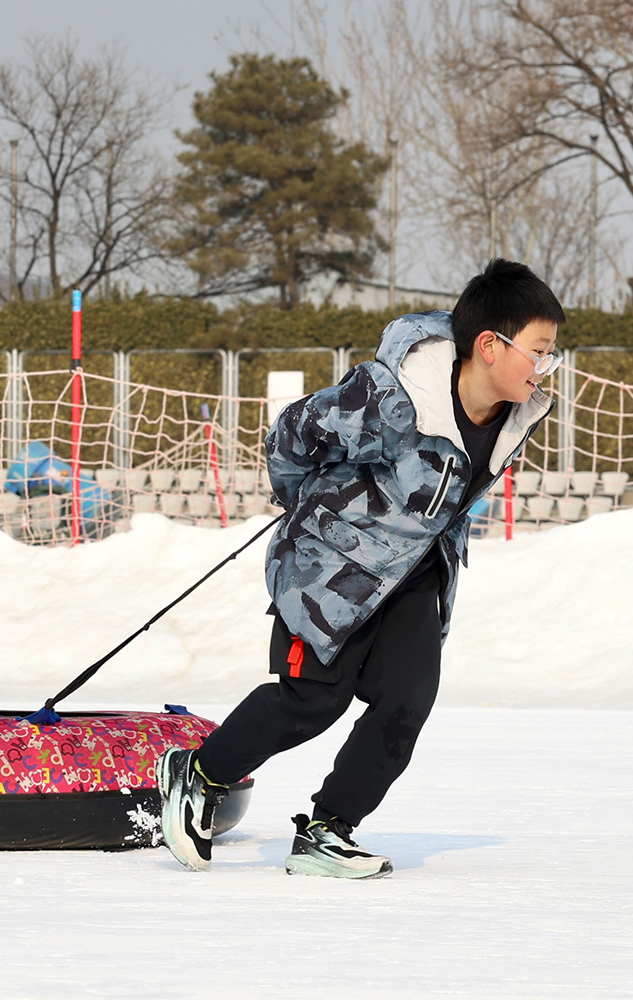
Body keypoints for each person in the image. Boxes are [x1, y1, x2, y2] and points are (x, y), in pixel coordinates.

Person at [160, 258, 564, 877]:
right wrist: (314, 514)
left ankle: (328, 829)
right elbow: (291, 437)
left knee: (406, 705)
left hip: (416, 573)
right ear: (489, 346)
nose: (546, 367)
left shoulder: (516, 416)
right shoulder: (389, 397)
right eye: (540, 351)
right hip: (334, 574)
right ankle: (199, 774)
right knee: (312, 701)